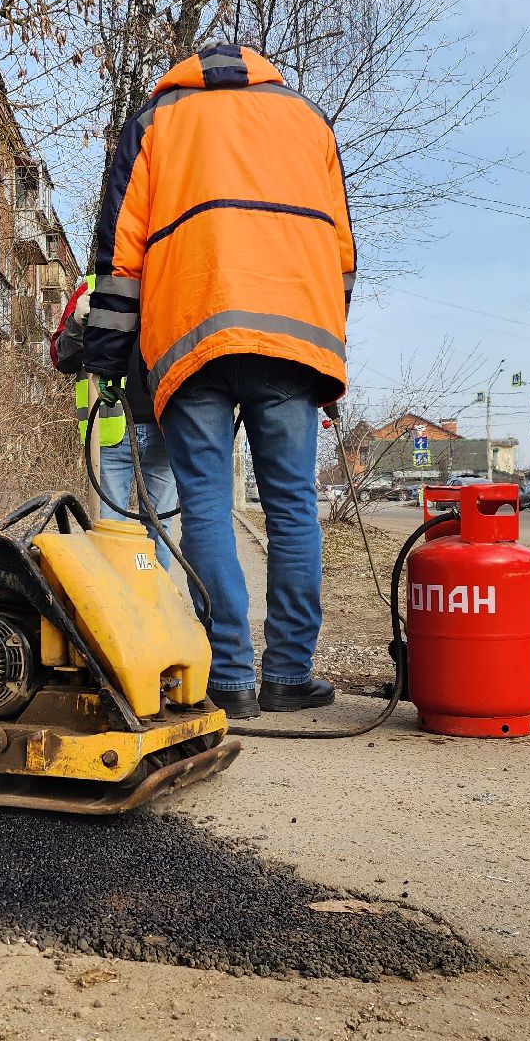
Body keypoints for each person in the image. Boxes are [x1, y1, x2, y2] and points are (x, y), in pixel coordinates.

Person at [82, 43, 353, 719]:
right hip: (293, 336)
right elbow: (341, 252)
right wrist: (326, 341)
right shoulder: (308, 120)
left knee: (204, 505)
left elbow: (121, 254)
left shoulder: (157, 120)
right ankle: (288, 675)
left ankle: (229, 677)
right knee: (292, 506)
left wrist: (108, 361)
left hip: (191, 329)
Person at [50, 276, 179, 568]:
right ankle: (118, 594)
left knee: (160, 531)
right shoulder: (93, 288)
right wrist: (77, 323)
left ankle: (153, 595)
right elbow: (62, 358)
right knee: (110, 531)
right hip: (109, 432)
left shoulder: (172, 280)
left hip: (164, 431)